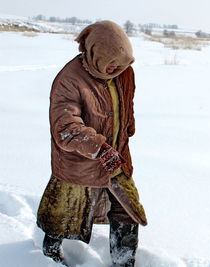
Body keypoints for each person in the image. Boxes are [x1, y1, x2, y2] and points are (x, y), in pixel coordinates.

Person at [36, 21, 147, 267]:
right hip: (78, 164)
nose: (116, 69)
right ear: (95, 52)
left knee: (127, 211)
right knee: (63, 215)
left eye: (121, 64)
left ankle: (124, 262)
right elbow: (65, 128)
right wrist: (98, 147)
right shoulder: (70, 79)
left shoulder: (124, 72)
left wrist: (127, 127)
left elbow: (125, 103)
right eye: (111, 63)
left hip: (116, 158)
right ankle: (49, 256)